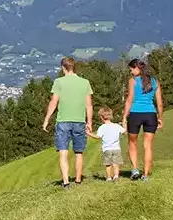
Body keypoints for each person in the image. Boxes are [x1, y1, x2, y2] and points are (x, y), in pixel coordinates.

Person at [42, 56, 94, 188]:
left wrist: (47, 119)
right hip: (79, 120)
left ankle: (66, 182)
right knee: (79, 152)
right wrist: (90, 122)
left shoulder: (59, 82)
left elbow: (54, 102)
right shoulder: (85, 82)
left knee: (63, 152)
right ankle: (77, 180)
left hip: (63, 121)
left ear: (63, 67)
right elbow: (89, 105)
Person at [123, 58, 163, 181]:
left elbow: (129, 99)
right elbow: (160, 103)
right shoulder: (155, 81)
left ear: (137, 68)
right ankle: (145, 175)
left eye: (131, 69)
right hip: (151, 115)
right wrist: (160, 118)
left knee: (132, 143)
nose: (131, 72)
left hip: (135, 114)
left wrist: (124, 117)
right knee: (148, 146)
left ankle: (135, 169)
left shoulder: (133, 81)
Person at [89, 107, 126, 181]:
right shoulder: (116, 126)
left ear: (101, 118)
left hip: (107, 149)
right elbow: (124, 131)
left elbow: (97, 137)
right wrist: (125, 123)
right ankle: (116, 176)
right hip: (116, 148)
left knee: (108, 164)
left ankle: (109, 177)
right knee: (116, 164)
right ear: (111, 116)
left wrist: (88, 133)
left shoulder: (102, 127)